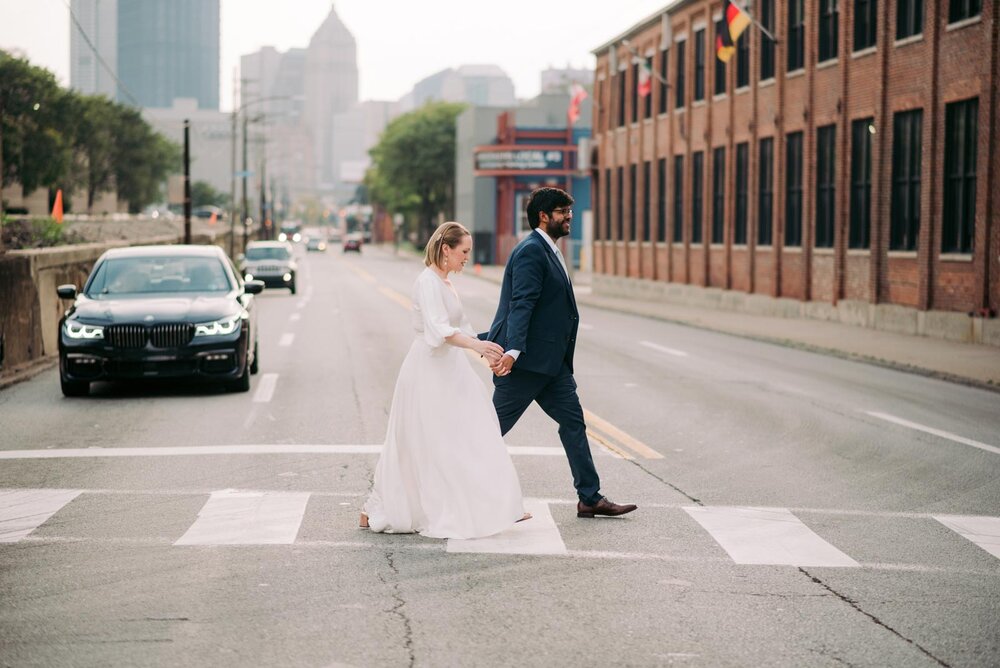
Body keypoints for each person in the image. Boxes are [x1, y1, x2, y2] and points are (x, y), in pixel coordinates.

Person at [361, 222, 530, 538]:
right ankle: (387, 505)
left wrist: (491, 351)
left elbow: (462, 329)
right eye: (463, 251)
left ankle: (492, 504)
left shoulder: (445, 282)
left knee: (470, 433)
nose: (467, 257)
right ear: (445, 249)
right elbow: (439, 329)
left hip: (451, 369)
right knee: (429, 440)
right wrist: (477, 346)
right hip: (429, 369)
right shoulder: (428, 282)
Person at [482, 187, 637, 519]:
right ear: (543, 215)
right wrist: (512, 350)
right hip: (525, 365)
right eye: (562, 211)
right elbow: (521, 304)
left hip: (552, 366)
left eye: (569, 210)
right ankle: (443, 483)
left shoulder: (548, 249)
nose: (569, 216)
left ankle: (590, 497)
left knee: (574, 424)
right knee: (487, 430)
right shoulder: (531, 251)